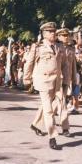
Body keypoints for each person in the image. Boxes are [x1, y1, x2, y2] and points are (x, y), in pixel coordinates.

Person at [23, 22, 68, 150]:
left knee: (46, 106)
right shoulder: (37, 47)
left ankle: (35, 124)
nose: (53, 33)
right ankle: (52, 137)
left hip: (57, 82)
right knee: (49, 110)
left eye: (54, 31)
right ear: (44, 33)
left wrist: (67, 81)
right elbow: (29, 63)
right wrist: (26, 79)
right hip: (43, 81)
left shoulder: (60, 47)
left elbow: (65, 65)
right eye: (50, 31)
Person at [54, 28, 76, 137]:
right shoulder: (55, 47)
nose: (66, 37)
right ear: (58, 36)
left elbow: (73, 65)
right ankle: (65, 128)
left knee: (59, 103)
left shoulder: (72, 49)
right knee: (60, 103)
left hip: (66, 79)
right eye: (63, 35)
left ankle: (36, 123)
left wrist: (74, 80)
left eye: (67, 35)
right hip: (55, 79)